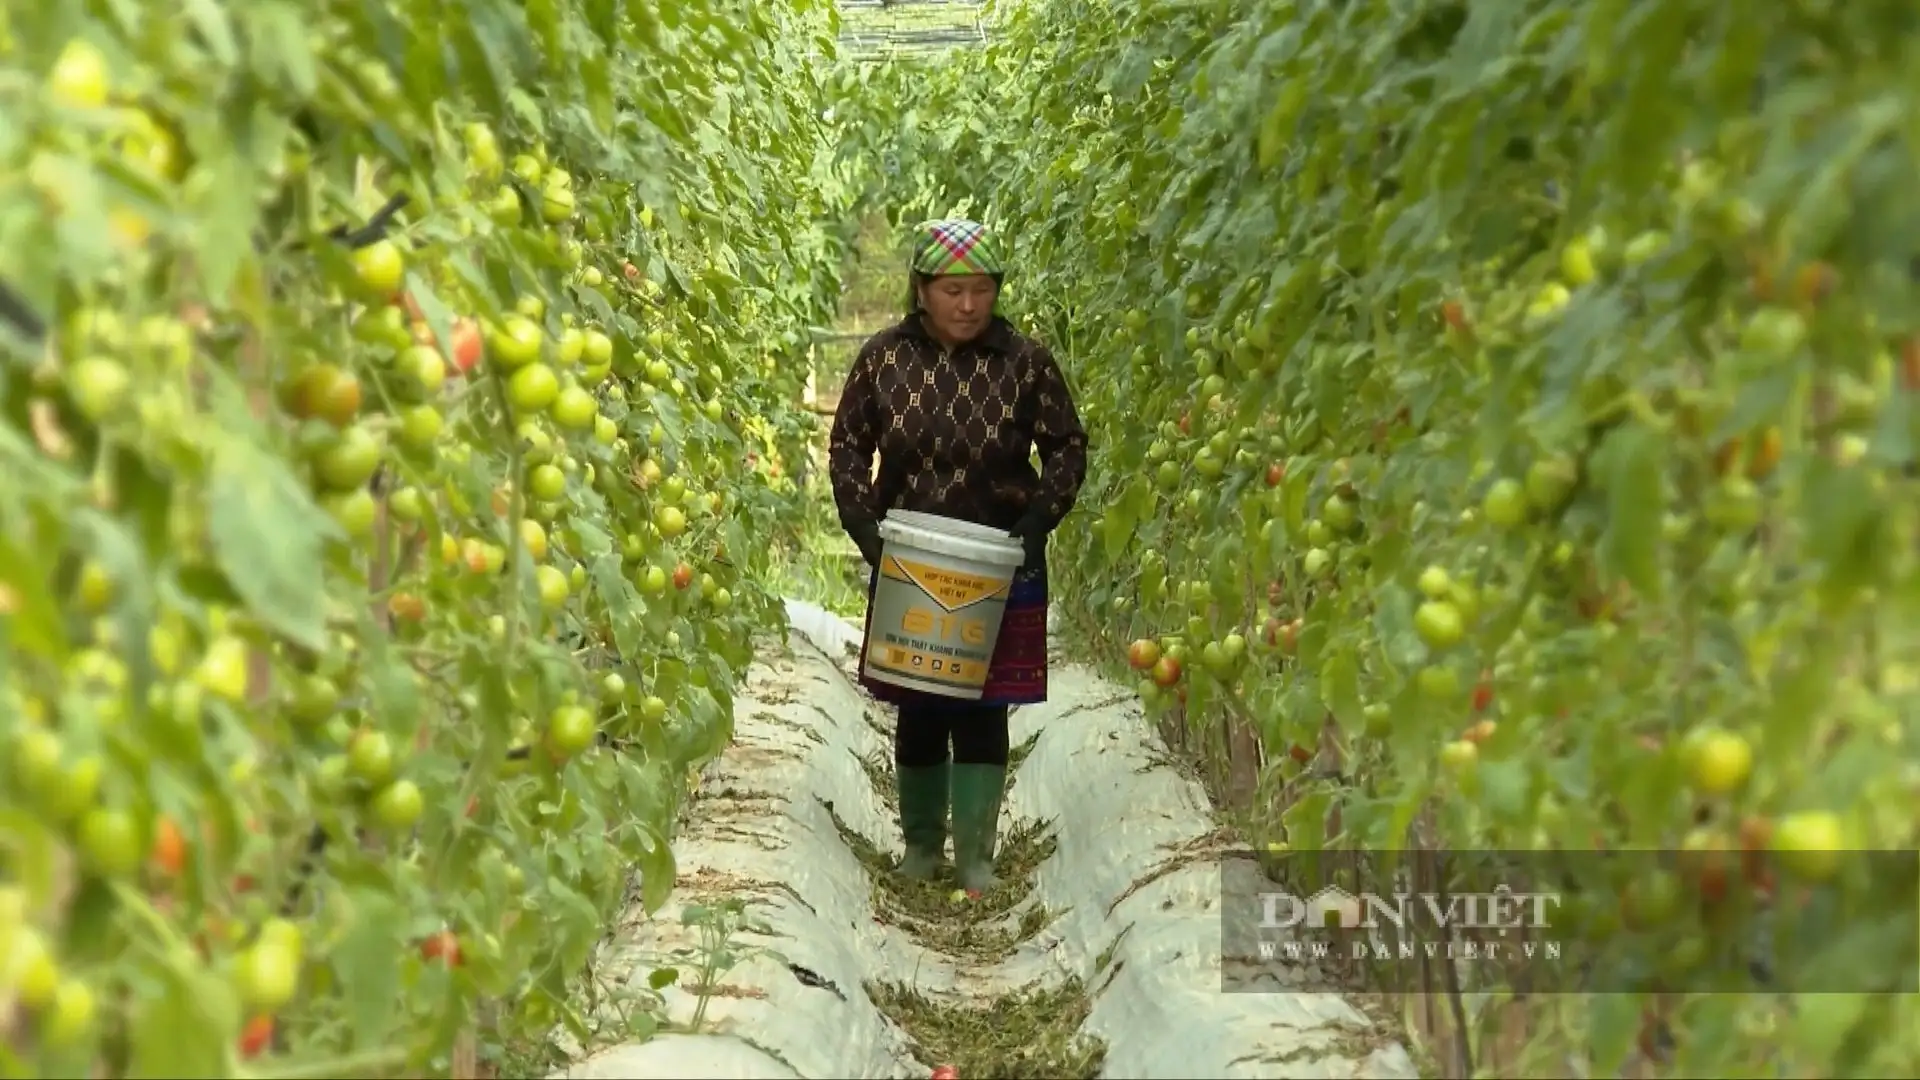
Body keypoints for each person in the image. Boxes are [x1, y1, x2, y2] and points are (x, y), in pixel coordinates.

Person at [827, 218, 1088, 892]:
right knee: (920, 702)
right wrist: (864, 526)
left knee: (981, 708)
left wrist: (1036, 522)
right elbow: (849, 444)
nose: (968, 306)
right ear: (921, 291)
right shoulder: (884, 359)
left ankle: (975, 857)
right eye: (952, 290)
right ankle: (920, 851)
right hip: (911, 556)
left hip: (999, 557)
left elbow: (1067, 446)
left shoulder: (1025, 363)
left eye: (980, 291)